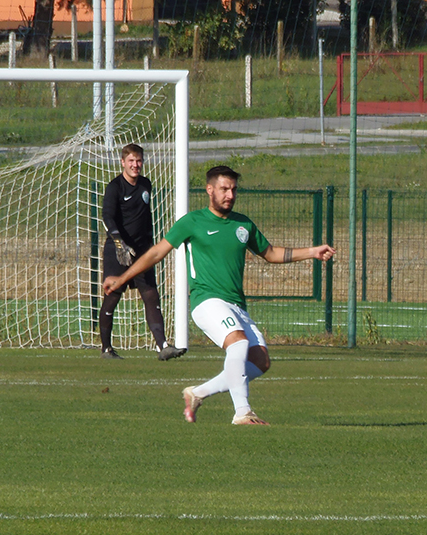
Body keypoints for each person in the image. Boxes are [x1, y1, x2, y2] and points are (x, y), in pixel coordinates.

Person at [103, 165, 336, 424]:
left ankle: (198, 393)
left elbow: (270, 254)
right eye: (224, 189)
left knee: (260, 361)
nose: (230, 195)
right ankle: (243, 413)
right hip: (207, 301)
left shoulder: (243, 224)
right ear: (210, 190)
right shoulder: (193, 221)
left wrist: (312, 252)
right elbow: (157, 252)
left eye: (234, 189)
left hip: (236, 305)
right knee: (238, 344)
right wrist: (122, 278)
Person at [99, 143, 186, 361]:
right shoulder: (115, 187)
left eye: (138, 161)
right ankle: (106, 349)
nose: (135, 165)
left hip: (142, 251)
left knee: (150, 294)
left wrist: (148, 245)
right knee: (112, 295)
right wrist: (119, 241)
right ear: (122, 162)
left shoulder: (146, 184)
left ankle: (163, 346)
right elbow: (107, 217)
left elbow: (144, 218)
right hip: (118, 250)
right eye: (131, 161)